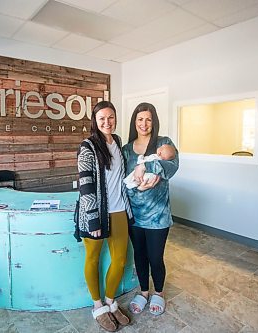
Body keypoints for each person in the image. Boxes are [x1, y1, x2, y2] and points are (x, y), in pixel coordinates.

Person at [75, 100, 133, 332]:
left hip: (119, 210)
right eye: (102, 119)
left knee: (120, 260)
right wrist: (92, 218)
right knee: (93, 258)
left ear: (115, 118)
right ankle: (98, 306)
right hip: (96, 213)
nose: (107, 122)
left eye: (110, 117)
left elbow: (120, 176)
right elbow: (85, 184)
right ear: (95, 121)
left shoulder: (117, 142)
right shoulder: (87, 146)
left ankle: (110, 301)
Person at [122, 102, 179, 316]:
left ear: (153, 121)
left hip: (158, 215)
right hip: (134, 215)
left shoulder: (164, 143)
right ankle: (144, 292)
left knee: (156, 257)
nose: (144, 123)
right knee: (140, 256)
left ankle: (159, 292)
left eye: (148, 119)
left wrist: (146, 166)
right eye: (140, 119)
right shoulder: (127, 149)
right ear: (134, 122)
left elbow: (172, 166)